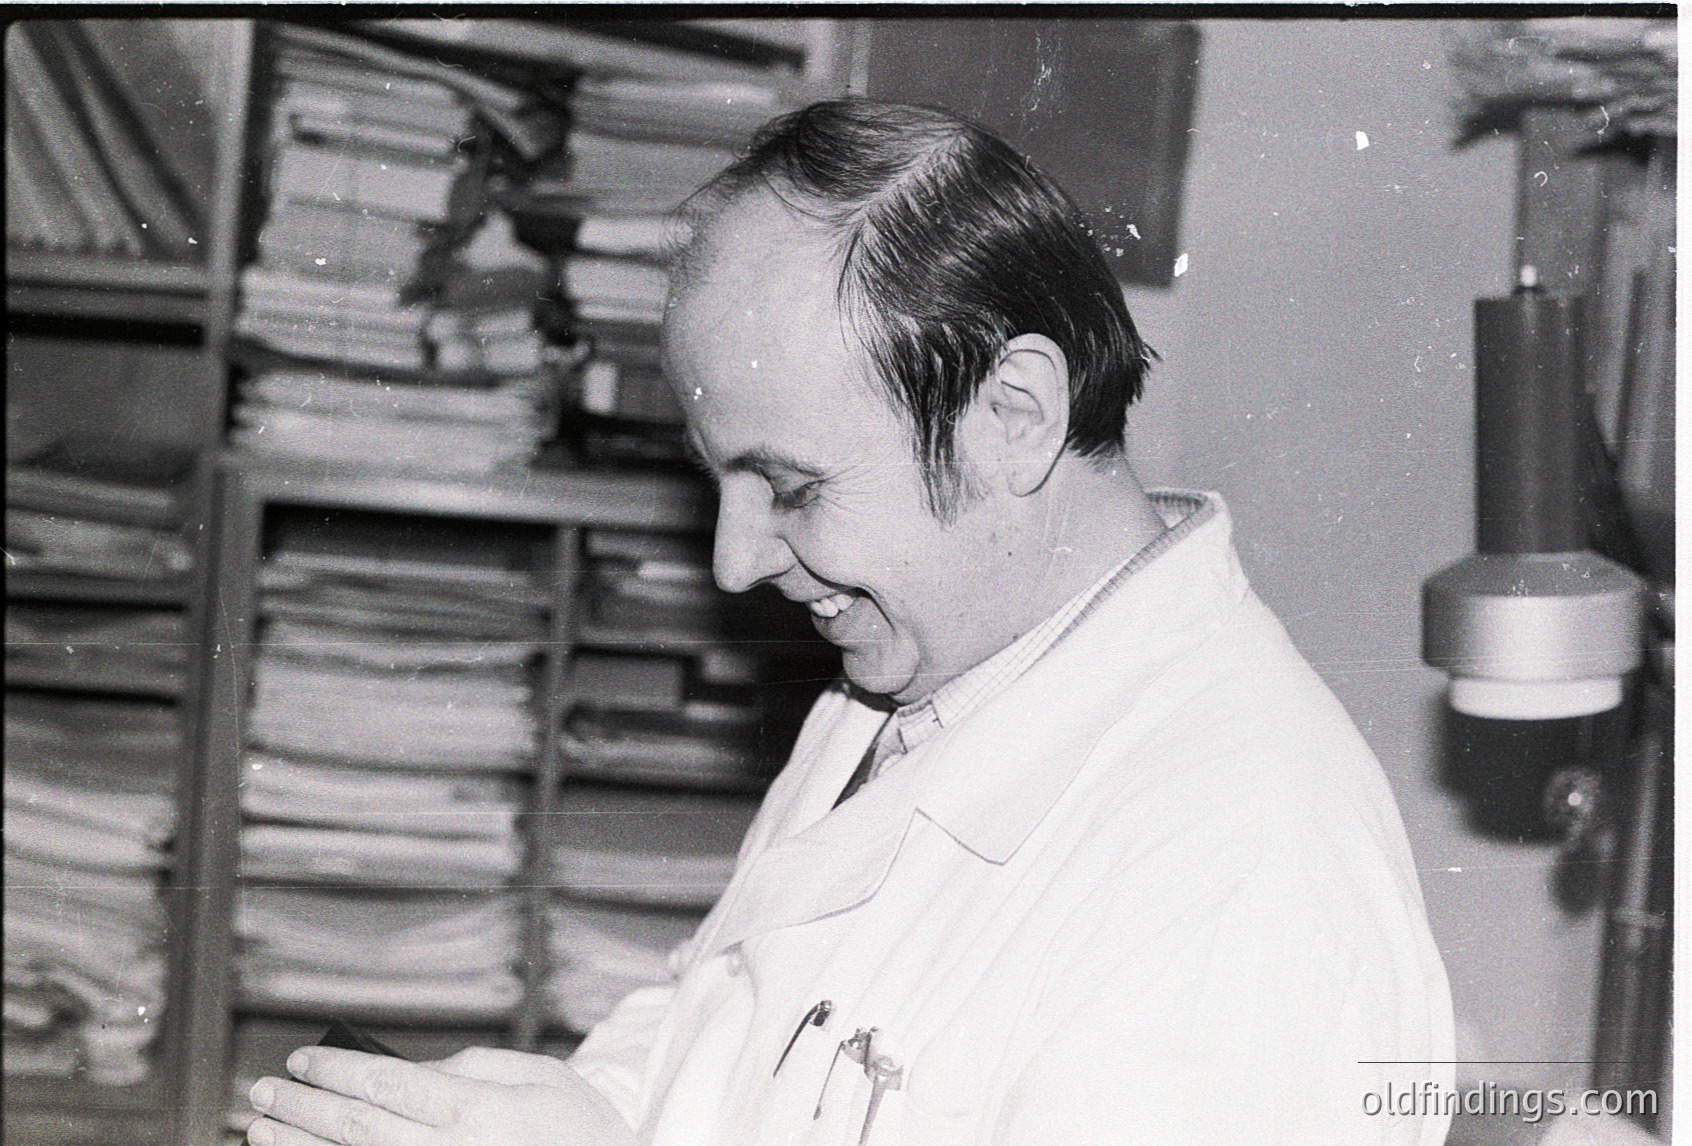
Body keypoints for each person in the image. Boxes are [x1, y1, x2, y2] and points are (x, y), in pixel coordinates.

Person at [247, 100, 1454, 1146]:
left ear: (1016, 416)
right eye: (721, 480)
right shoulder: (932, 668)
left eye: (795, 486)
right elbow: (719, 1016)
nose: (734, 563)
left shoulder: (1237, 877)